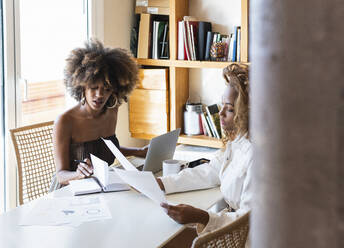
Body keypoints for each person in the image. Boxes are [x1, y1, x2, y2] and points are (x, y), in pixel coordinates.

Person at [158, 63, 251, 247]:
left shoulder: (259, 158)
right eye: (222, 105)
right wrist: (164, 183)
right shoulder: (239, 139)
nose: (221, 113)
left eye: (230, 109)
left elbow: (248, 221)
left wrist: (202, 216)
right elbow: (212, 170)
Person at [52, 39, 147, 189]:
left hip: (101, 187)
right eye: (93, 87)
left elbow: (105, 148)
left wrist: (139, 152)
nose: (100, 95)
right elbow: (61, 175)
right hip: (71, 190)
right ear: (82, 86)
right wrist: (79, 174)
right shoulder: (65, 121)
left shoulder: (112, 111)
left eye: (107, 89)